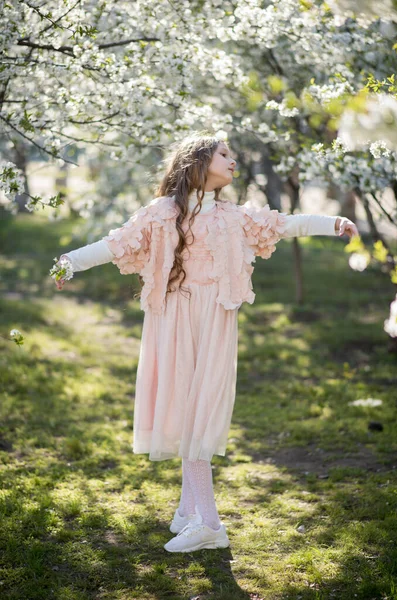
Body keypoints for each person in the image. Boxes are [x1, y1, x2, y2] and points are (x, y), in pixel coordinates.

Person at [52, 132, 358, 553]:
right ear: (199, 161)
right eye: (224, 154)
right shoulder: (164, 212)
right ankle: (191, 511)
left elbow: (285, 225)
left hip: (214, 319)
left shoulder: (233, 217)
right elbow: (116, 244)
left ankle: (209, 523)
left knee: (200, 409)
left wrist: (333, 223)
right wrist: (71, 262)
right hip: (173, 318)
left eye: (233, 155)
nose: (233, 161)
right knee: (182, 405)